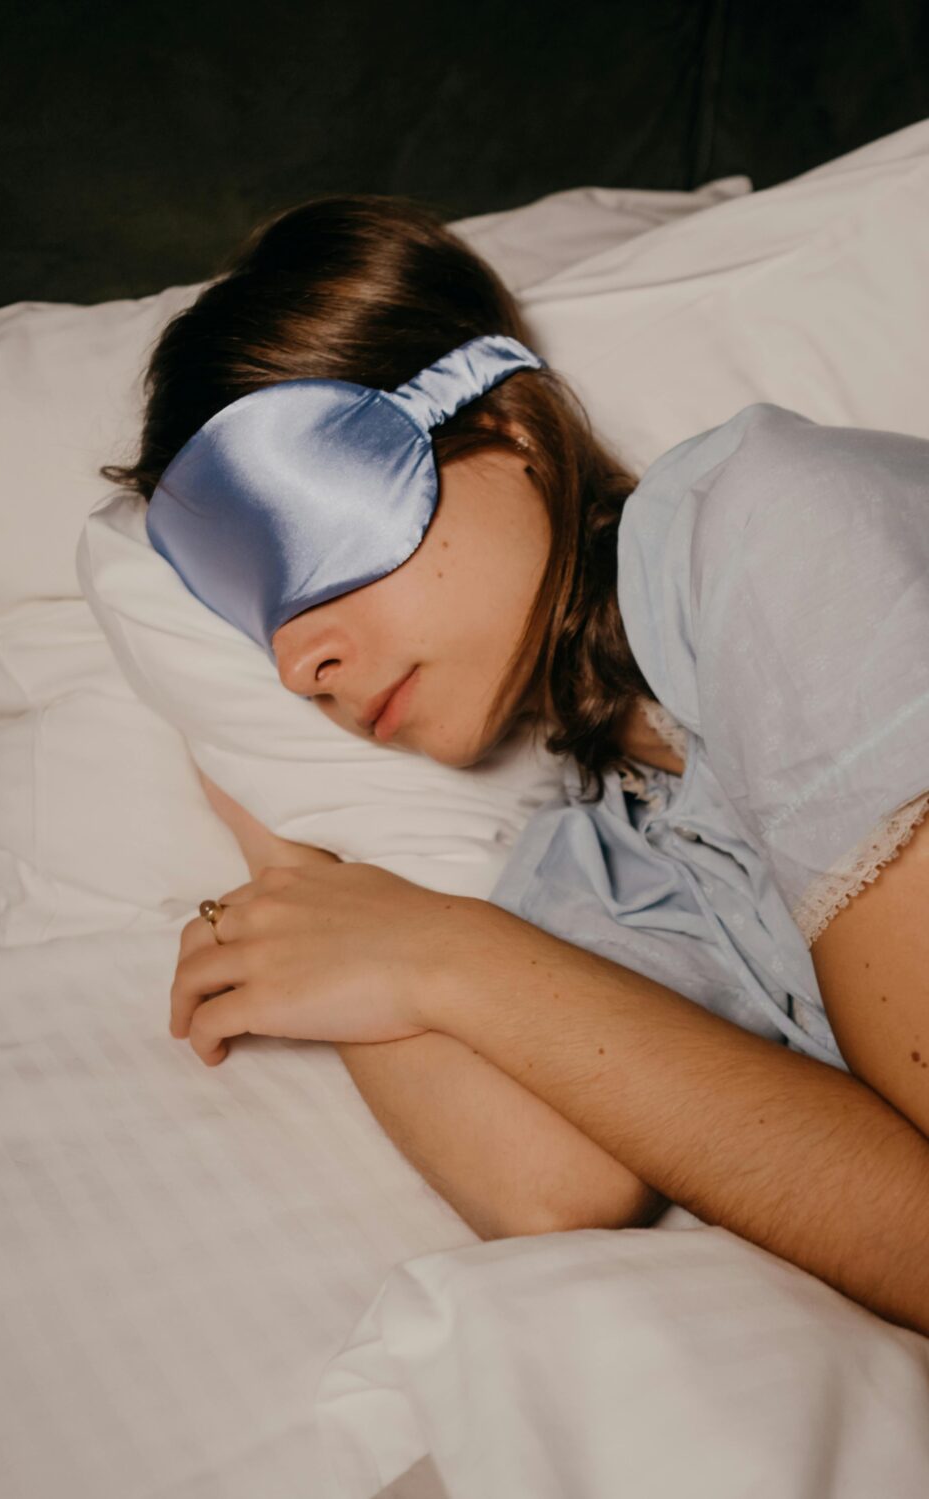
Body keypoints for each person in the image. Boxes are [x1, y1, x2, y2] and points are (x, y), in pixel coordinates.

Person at [100, 193, 929, 1337]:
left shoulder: (773, 527)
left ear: (511, 429)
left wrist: (452, 953)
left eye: (312, 545)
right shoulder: (612, 845)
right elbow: (549, 1184)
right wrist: (297, 859)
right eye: (256, 624)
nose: (300, 662)